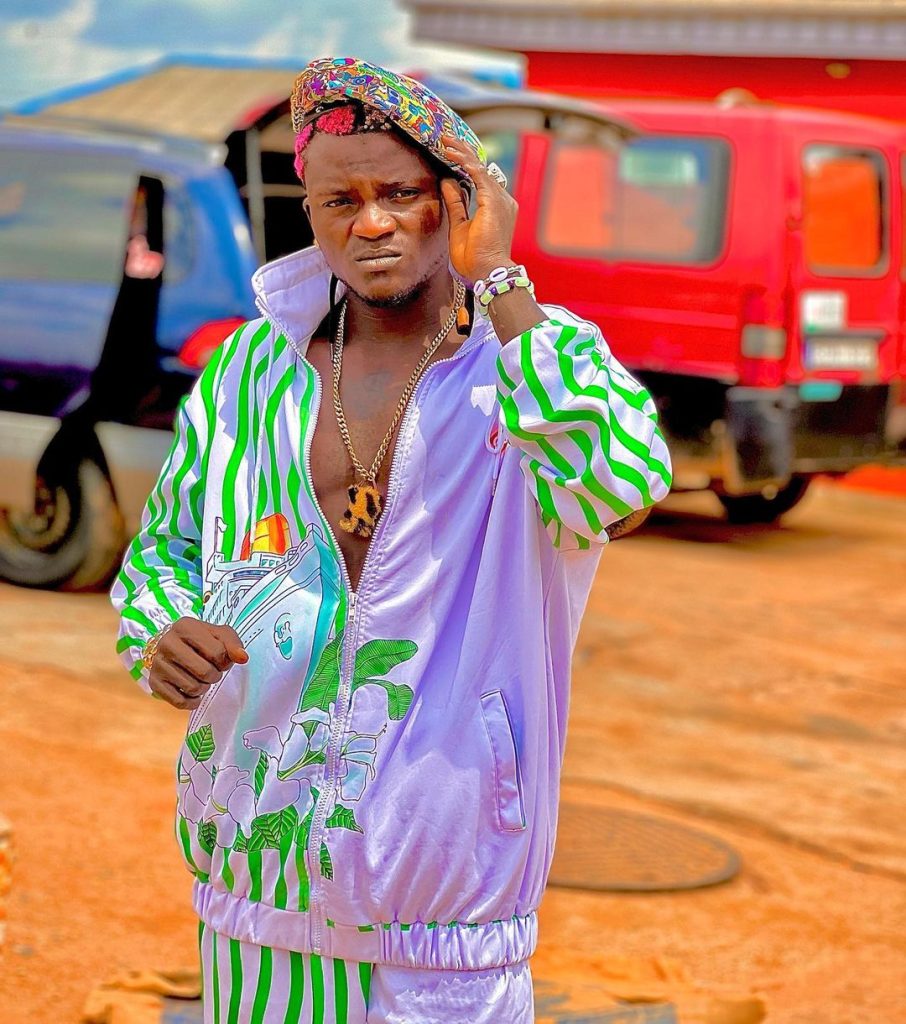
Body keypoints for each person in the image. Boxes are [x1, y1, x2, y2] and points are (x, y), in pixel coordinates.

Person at [111, 57, 673, 1024]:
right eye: (341, 201)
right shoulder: (251, 371)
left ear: (460, 199)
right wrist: (160, 633)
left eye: (401, 193)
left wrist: (502, 280)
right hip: (253, 902)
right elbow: (164, 549)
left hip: (446, 930)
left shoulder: (532, 359)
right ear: (310, 212)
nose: (370, 223)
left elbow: (619, 485)